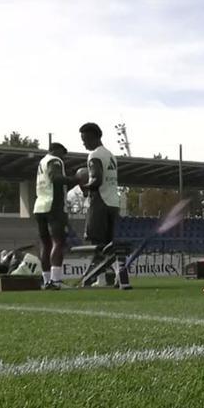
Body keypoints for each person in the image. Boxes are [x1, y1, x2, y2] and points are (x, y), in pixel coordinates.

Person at [79, 122, 131, 289]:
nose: (83, 142)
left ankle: (100, 278)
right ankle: (119, 276)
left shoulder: (94, 155)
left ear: (93, 136)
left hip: (99, 202)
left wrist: (84, 186)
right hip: (113, 202)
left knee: (97, 243)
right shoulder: (110, 155)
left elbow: (96, 179)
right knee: (111, 245)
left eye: (84, 138)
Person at [32, 143, 75, 289]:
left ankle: (46, 281)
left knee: (46, 244)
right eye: (63, 153)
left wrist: (70, 183)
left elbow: (54, 184)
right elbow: (55, 178)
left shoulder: (41, 162)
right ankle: (56, 281)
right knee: (58, 242)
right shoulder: (54, 160)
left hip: (39, 206)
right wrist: (75, 179)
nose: (64, 157)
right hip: (53, 206)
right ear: (57, 151)